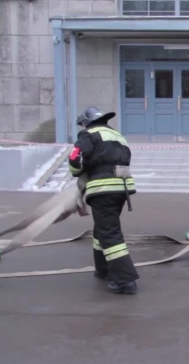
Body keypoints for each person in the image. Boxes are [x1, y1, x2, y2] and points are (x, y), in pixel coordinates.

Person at [68, 107, 139, 295]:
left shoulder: (88, 134)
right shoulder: (117, 135)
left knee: (109, 233)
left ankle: (125, 280)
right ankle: (103, 269)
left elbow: (75, 159)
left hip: (102, 189)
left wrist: (77, 173)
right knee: (102, 228)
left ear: (86, 122)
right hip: (121, 188)